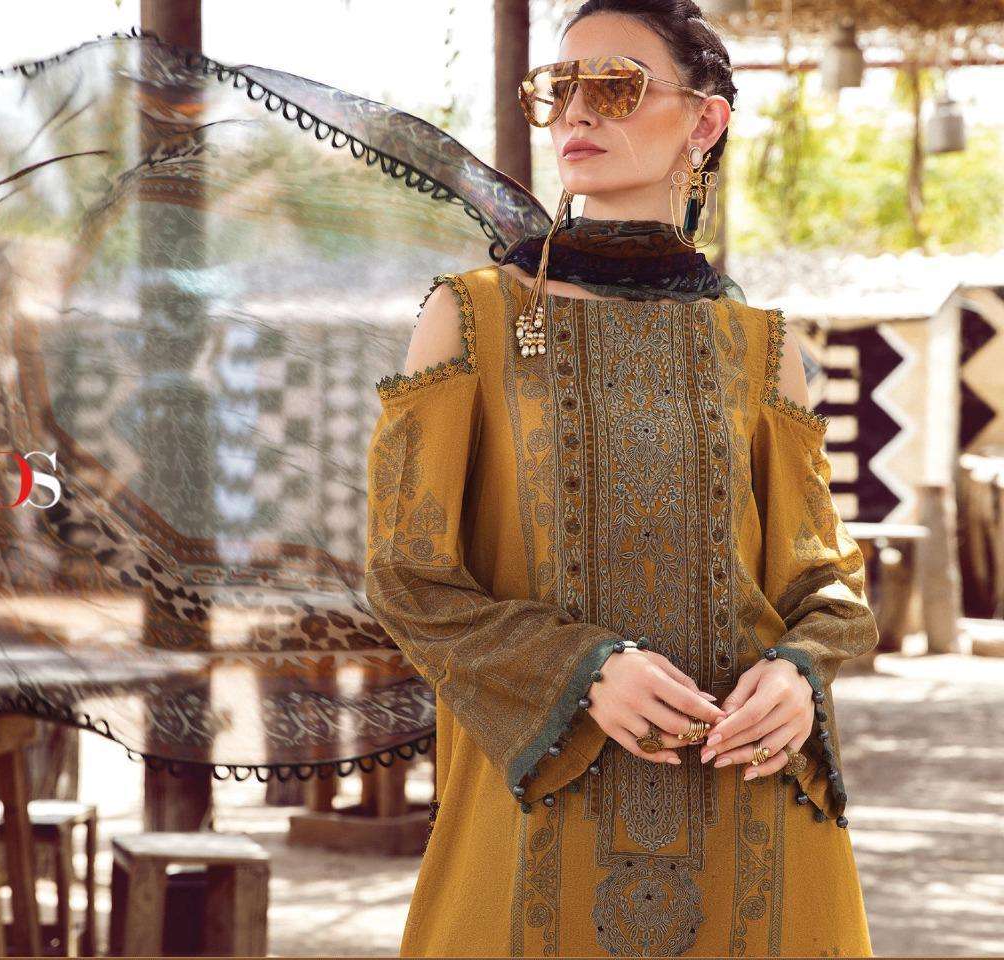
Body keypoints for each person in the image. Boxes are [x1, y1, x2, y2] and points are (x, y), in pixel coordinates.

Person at [364, 0, 880, 955]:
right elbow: (407, 577)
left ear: (705, 120)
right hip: (543, 811)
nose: (576, 112)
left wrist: (800, 673)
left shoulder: (761, 347)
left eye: (615, 86)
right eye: (558, 88)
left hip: (752, 812)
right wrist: (582, 671)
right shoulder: (471, 318)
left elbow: (823, 580)